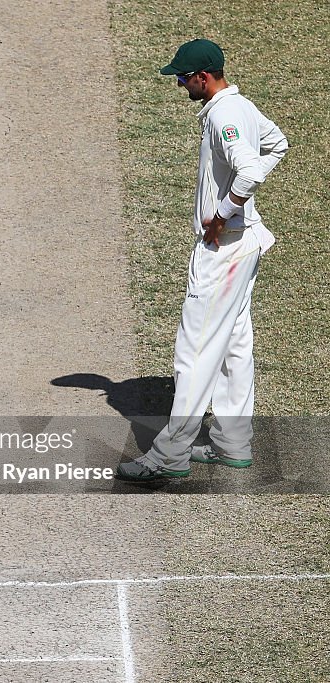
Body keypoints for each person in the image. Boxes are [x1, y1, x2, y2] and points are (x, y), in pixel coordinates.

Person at [117, 39, 288, 481]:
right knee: (233, 344)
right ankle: (233, 443)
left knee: (194, 353)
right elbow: (278, 145)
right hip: (243, 245)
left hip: (225, 249)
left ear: (202, 77)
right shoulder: (242, 107)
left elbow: (250, 168)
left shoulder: (225, 115)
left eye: (182, 77)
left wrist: (224, 211)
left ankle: (169, 455)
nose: (178, 83)